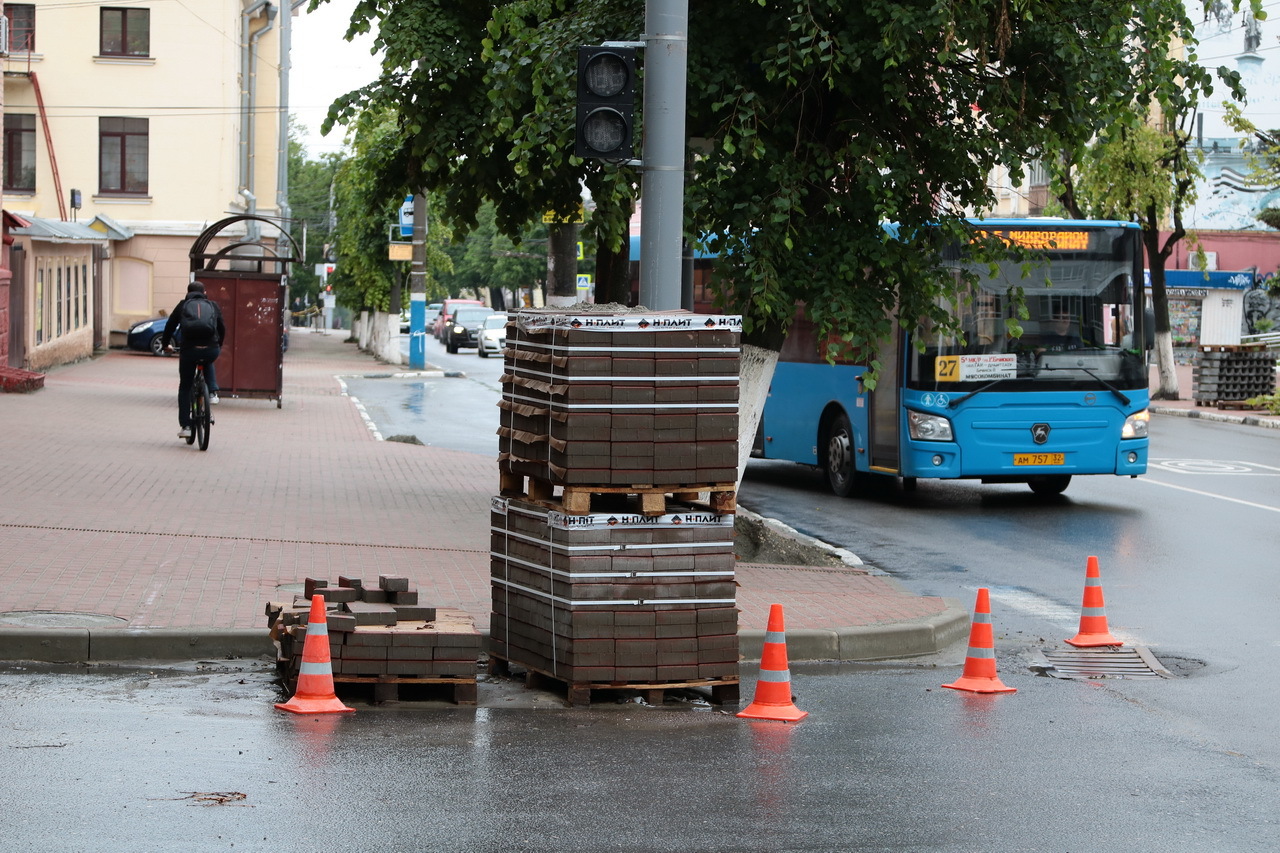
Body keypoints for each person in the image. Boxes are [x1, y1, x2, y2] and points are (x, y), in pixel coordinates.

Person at [160, 282, 226, 440]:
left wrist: (165, 345)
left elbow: (169, 326)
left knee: (185, 387)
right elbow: (222, 327)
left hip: (189, 350)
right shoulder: (212, 305)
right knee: (207, 361)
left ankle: (186, 427)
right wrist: (218, 345)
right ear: (205, 292)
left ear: (187, 292)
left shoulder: (183, 305)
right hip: (211, 348)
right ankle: (212, 392)